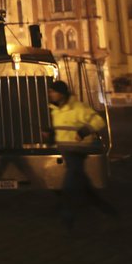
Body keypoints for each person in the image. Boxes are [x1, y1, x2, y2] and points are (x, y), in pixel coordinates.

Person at [46, 80, 116, 229]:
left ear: (62, 94)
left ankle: (67, 217)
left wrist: (83, 131)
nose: (50, 94)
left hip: (78, 151)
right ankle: (106, 209)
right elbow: (63, 129)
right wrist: (51, 134)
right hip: (67, 152)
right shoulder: (56, 110)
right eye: (50, 91)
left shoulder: (78, 108)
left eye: (53, 91)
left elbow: (99, 121)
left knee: (68, 187)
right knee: (84, 186)